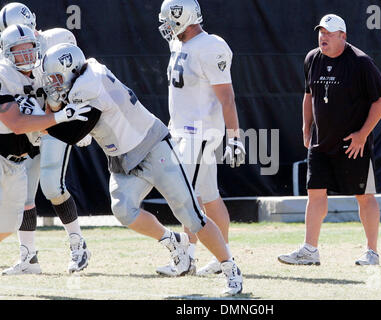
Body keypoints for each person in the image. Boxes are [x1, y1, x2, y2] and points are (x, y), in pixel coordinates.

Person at [39, 42, 243, 295]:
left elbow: (71, 133)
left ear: (70, 68)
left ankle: (230, 268)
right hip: (123, 157)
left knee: (191, 215)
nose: (54, 84)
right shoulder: (89, 71)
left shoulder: (86, 87)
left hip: (152, 148)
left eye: (57, 77)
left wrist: (40, 122)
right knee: (123, 209)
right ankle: (173, 241)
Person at [278, 14, 381, 266]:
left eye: (329, 33)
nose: (323, 37)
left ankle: (372, 252)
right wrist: (306, 127)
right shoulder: (312, 58)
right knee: (315, 193)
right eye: (321, 32)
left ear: (343, 36)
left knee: (364, 196)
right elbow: (308, 95)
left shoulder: (361, 62)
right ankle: (309, 250)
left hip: (353, 144)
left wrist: (362, 134)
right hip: (321, 141)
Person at [0, 2, 92, 275]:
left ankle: (78, 244)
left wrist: (78, 127)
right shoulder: (6, 66)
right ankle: (28, 258)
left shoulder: (57, 41)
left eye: (28, 39)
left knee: (52, 187)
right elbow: (16, 115)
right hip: (29, 131)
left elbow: (77, 82)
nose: (25, 48)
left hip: (54, 126)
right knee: (24, 197)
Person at [155, 0, 245, 278]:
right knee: (209, 197)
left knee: (186, 198)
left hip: (199, 133)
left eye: (170, 19)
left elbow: (226, 97)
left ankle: (187, 258)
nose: (166, 25)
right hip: (183, 131)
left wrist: (234, 137)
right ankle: (223, 256)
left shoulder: (211, 46)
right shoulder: (179, 44)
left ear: (184, 18)